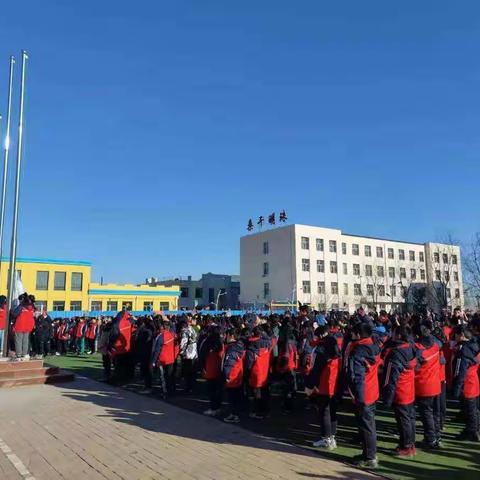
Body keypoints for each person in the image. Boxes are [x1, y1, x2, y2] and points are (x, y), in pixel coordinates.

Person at [344, 321, 381, 469]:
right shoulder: (374, 346)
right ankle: (367, 453)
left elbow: (357, 376)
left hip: (363, 392)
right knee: (367, 425)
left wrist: (358, 397)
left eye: (353, 332)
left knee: (367, 426)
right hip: (372, 389)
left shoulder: (358, 350)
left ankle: (370, 457)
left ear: (358, 335)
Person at [382, 325, 418, 457]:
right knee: (409, 418)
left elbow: (390, 378)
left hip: (400, 390)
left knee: (403, 420)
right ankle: (409, 443)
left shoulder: (396, 353)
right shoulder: (411, 348)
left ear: (398, 335)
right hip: (409, 389)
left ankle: (407, 446)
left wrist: (387, 399)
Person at [306, 324, 341, 450]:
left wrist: (310, 385)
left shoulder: (320, 349)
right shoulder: (336, 346)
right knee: (332, 411)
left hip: (324, 384)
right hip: (335, 383)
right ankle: (332, 437)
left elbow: (315, 369)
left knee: (324, 412)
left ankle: (326, 439)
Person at [414, 320, 442, 449]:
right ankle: (436, 435)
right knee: (434, 413)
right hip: (436, 384)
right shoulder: (436, 347)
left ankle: (430, 439)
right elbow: (442, 361)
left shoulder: (419, 351)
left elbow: (415, 368)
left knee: (426, 414)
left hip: (424, 386)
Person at [452, 325, 480, 441]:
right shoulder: (474, 346)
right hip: (473, 381)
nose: (455, 337)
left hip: (467, 383)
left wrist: (457, 389)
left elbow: (460, 371)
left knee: (470, 410)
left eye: (456, 335)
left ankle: (472, 431)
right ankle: (474, 429)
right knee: (474, 409)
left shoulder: (463, 351)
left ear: (462, 335)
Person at [246, 325, 272, 419]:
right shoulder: (267, 344)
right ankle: (266, 410)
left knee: (257, 394)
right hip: (265, 371)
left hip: (255, 373)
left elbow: (249, 364)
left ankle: (258, 412)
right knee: (265, 393)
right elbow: (270, 338)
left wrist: (247, 375)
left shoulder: (251, 347)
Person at [198, 325, 224, 416]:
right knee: (218, 389)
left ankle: (213, 408)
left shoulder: (207, 341)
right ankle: (218, 407)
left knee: (212, 389)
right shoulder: (221, 341)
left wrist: (202, 367)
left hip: (210, 368)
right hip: (219, 367)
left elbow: (202, 356)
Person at [222, 327, 246, 424]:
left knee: (232, 397)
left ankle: (234, 415)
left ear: (231, 336)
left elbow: (228, 364)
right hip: (238, 375)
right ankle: (236, 413)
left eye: (226, 335)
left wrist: (227, 377)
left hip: (232, 376)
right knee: (237, 396)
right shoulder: (240, 346)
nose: (225, 337)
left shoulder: (232, 349)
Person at [152, 320, 177, 397]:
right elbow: (173, 327)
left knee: (163, 377)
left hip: (162, 360)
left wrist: (153, 361)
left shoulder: (160, 337)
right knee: (169, 376)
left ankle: (165, 392)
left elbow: (157, 350)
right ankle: (171, 390)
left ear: (162, 327)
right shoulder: (172, 334)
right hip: (171, 359)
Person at [11, 293, 35, 361]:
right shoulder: (31, 306)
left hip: (20, 325)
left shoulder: (21, 306)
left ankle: (18, 355)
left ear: (22, 299)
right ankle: (24, 355)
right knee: (25, 341)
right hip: (28, 326)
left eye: (19, 300)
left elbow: (14, 314)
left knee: (18, 340)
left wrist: (13, 309)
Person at [179, 317, 198, 394]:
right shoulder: (193, 330)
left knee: (187, 372)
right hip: (194, 353)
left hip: (187, 353)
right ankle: (193, 387)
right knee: (193, 372)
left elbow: (183, 343)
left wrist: (182, 352)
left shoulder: (185, 331)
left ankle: (188, 388)